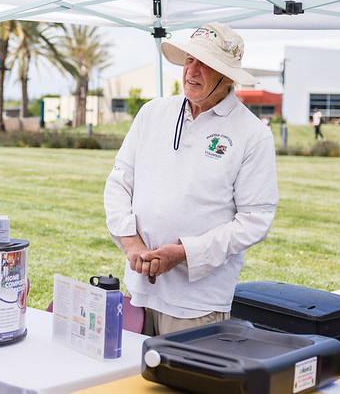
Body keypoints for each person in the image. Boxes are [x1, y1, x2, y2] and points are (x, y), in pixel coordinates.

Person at [103, 22, 278, 337]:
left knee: (180, 385)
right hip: (137, 290)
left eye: (205, 64)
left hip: (197, 304)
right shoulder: (152, 113)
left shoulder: (253, 135)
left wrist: (183, 253)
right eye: (188, 60)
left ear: (227, 76)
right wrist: (132, 244)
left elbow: (255, 221)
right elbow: (119, 182)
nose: (192, 71)